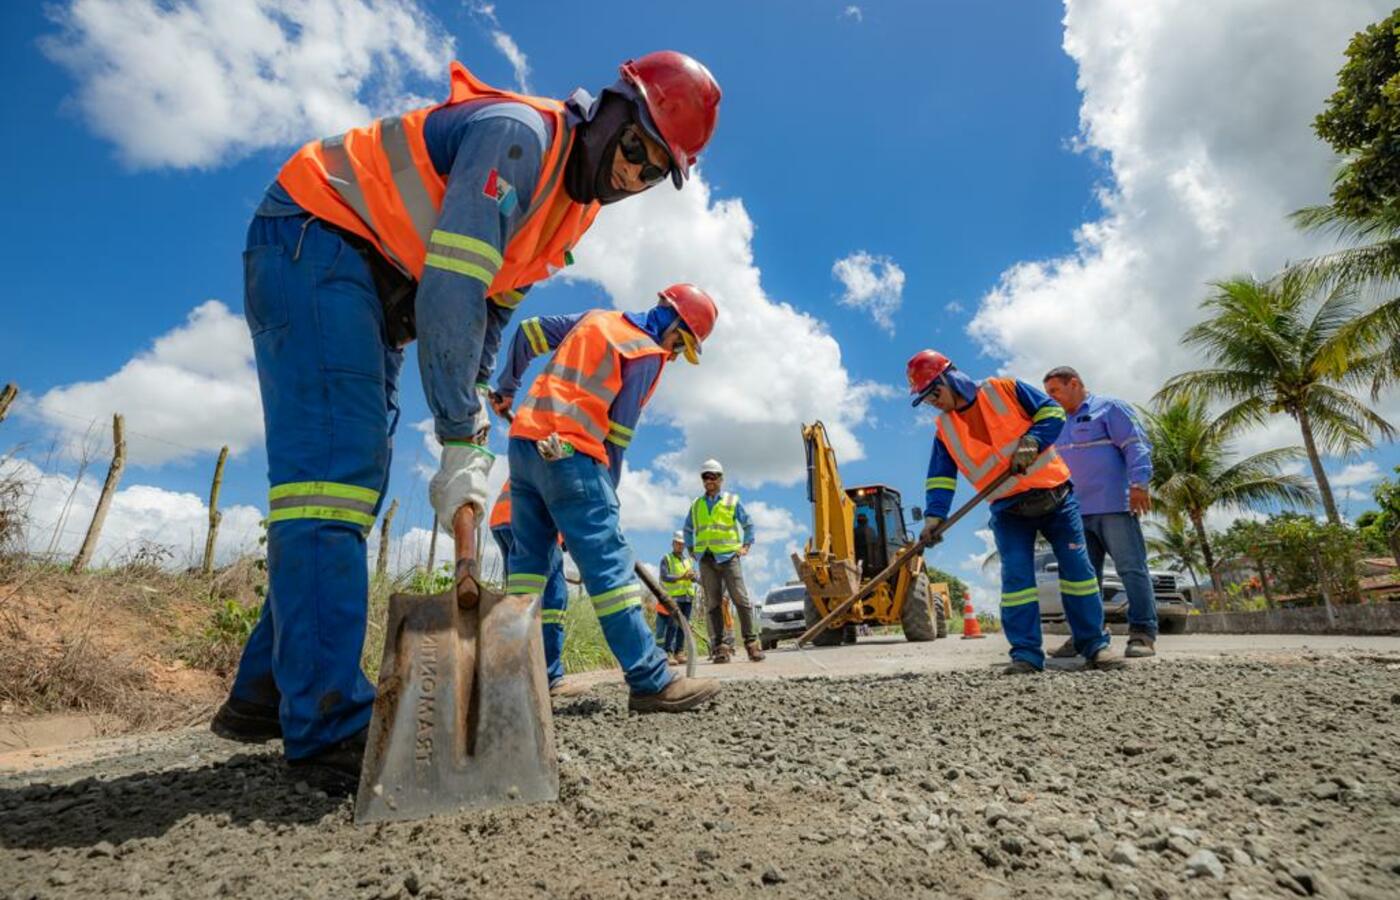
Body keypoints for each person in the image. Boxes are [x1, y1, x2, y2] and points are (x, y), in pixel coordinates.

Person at [210, 52, 723, 777]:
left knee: (351, 478)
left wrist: (476, 419)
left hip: (373, 288)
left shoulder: (565, 219)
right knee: (334, 477)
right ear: (607, 110)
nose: (630, 174)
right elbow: (450, 288)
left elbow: (488, 321)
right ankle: (326, 721)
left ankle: (266, 690)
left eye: (653, 171)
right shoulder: (519, 139)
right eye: (633, 146)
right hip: (319, 238)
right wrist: (456, 434)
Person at [493, 285, 721, 713]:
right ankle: (650, 679)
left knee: (527, 573)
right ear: (672, 322)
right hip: (572, 453)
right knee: (609, 566)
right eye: (679, 343)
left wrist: (507, 387)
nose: (673, 355)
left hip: (524, 447)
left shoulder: (595, 320)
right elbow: (617, 437)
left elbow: (527, 333)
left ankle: (524, 680)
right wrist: (605, 498)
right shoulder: (646, 353)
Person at [906, 350, 1126, 675]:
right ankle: (1025, 655)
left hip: (1056, 497)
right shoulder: (945, 430)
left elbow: (1051, 411)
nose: (933, 402)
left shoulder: (1005, 390)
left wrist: (1032, 442)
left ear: (951, 379)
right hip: (1008, 509)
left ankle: (1095, 646)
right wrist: (934, 518)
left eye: (933, 393)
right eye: (925, 400)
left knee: (1078, 574)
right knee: (1017, 581)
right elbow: (940, 477)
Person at [1043, 367, 1158, 658]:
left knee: (1131, 569)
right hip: (1075, 512)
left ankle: (1142, 634)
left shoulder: (1109, 408)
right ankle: (1086, 636)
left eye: (1055, 390)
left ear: (1075, 383)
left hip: (1114, 506)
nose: (1052, 398)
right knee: (1082, 577)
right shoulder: (1056, 422)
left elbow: (1136, 445)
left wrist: (1139, 484)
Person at [488, 480, 587, 696]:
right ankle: (551, 677)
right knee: (553, 601)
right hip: (533, 522)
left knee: (519, 597)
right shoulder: (575, 467)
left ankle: (510, 674)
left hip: (502, 519)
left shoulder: (530, 454)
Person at [685, 459, 765, 663]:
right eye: (705, 477)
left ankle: (751, 644)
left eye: (713, 476)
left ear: (721, 479)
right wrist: (691, 548)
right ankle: (720, 647)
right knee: (713, 604)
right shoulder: (696, 505)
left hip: (729, 558)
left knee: (741, 599)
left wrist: (746, 545)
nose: (709, 480)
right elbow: (688, 529)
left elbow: (747, 524)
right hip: (706, 559)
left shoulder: (731, 500)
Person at [657, 530, 699, 663]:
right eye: (678, 544)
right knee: (672, 625)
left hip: (687, 597)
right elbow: (665, 577)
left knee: (683, 626)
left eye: (682, 544)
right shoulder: (666, 559)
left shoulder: (688, 561)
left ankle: (679, 652)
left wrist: (693, 577)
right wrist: (682, 577)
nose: (680, 546)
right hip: (674, 597)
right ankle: (668, 652)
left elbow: (692, 578)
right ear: (673, 543)